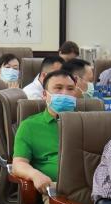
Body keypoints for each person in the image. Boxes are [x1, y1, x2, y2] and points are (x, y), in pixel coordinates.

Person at [10, 66, 79, 195]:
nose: (65, 93)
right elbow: (18, 164)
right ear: (45, 95)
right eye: (58, 88)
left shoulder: (87, 123)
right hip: (55, 190)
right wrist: (35, 175)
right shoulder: (29, 126)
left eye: (70, 89)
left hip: (92, 187)